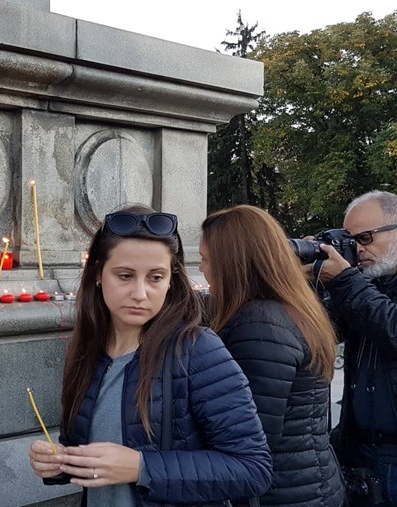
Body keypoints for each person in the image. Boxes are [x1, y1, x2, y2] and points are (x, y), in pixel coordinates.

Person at [29, 204, 272, 506]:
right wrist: (59, 463)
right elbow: (92, 453)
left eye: (155, 277)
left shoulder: (197, 351)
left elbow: (253, 468)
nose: (140, 293)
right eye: (125, 275)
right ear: (98, 274)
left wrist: (142, 468)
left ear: (171, 280)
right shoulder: (86, 353)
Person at [200, 205, 345, 506]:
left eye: (205, 259)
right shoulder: (288, 308)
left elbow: (250, 435)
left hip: (281, 494)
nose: (201, 269)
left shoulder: (260, 325)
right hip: (306, 485)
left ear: (232, 264)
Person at [306, 190, 397, 506]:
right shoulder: (366, 285)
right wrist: (308, 282)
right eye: (349, 240)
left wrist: (344, 280)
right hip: (357, 448)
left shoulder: (356, 286)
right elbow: (320, 334)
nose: (357, 249)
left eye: (365, 238)